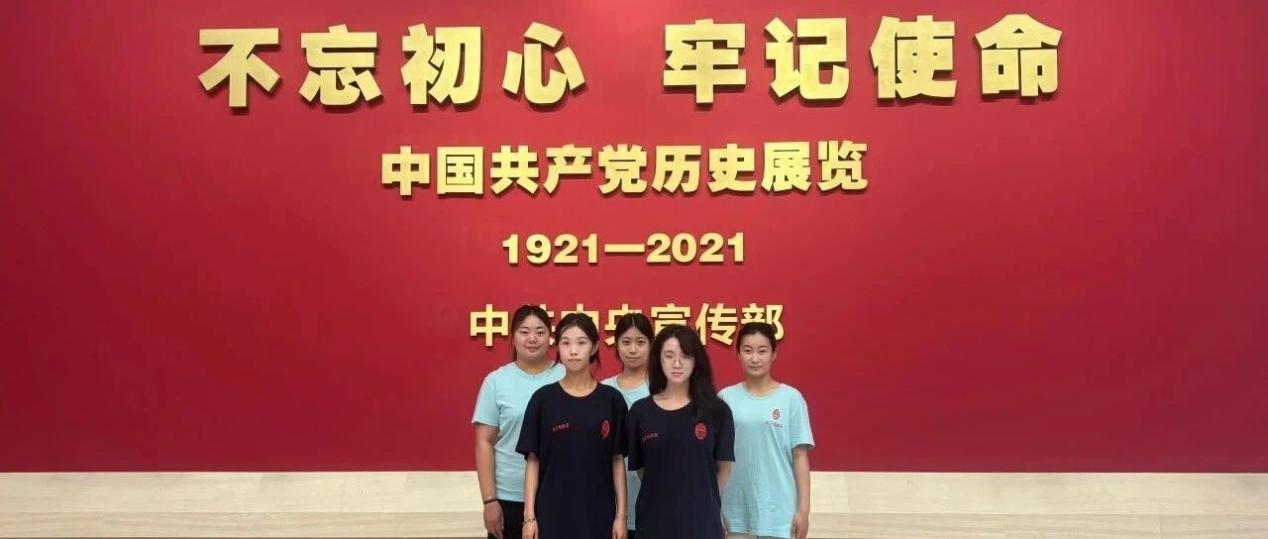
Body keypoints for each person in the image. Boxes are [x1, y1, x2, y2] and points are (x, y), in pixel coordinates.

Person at [518, 312, 628, 539]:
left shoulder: (612, 400)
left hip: (599, 515)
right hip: (552, 515)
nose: (573, 351)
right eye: (566, 343)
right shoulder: (543, 400)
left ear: (594, 347)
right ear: (558, 347)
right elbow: (533, 461)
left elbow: (617, 461)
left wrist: (621, 517)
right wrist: (529, 517)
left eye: (581, 343)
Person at [626, 324, 734, 539]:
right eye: (669, 356)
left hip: (701, 523)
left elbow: (724, 467)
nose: (677, 363)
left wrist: (704, 501)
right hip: (654, 522)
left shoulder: (717, 411)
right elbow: (643, 470)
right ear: (659, 359)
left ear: (696, 360)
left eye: (685, 356)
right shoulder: (640, 412)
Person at [473, 305, 565, 539]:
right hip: (508, 497)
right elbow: (484, 442)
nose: (532, 339)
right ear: (513, 338)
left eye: (540, 332)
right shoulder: (496, 381)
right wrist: (489, 500)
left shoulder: (567, 376)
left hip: (558, 494)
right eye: (524, 332)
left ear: (550, 337)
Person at [719, 322, 814, 539]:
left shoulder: (791, 399)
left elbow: (800, 457)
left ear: (774, 354)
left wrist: (803, 510)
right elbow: (717, 460)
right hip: (735, 514)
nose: (755, 358)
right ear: (738, 354)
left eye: (762, 351)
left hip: (780, 516)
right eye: (748, 350)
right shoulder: (725, 399)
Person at [601, 313, 654, 538]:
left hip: (654, 503)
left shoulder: (662, 391)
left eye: (640, 342)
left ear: (651, 345)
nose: (633, 349)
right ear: (616, 345)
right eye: (626, 342)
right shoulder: (603, 391)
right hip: (609, 508)